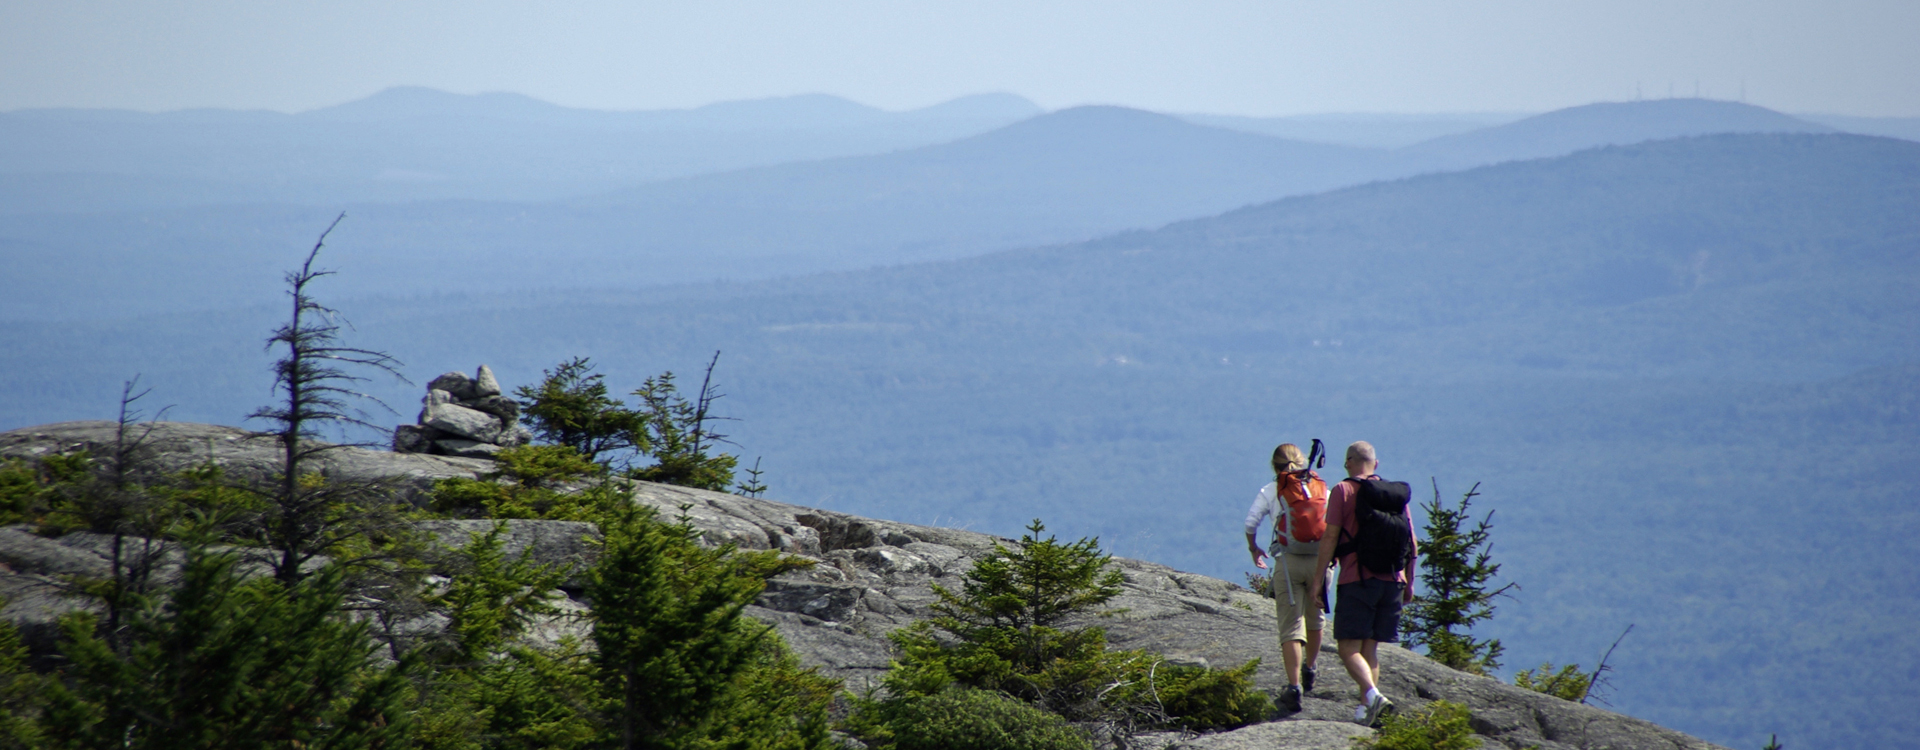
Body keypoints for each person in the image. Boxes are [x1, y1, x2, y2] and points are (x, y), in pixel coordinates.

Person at [1308, 441, 1418, 727]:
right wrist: (1409, 582)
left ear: (1348, 462)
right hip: (1393, 580)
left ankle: (1372, 695)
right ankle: (1364, 709)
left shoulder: (1343, 491)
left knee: (1347, 647)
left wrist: (1318, 580)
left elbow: (1330, 538)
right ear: (1376, 464)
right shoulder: (1393, 494)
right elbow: (1412, 542)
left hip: (1357, 578)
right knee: (1370, 650)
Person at [1244, 443, 1329, 712]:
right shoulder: (1320, 487)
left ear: (1274, 466)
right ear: (1302, 462)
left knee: (1292, 626)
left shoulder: (1272, 490)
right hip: (1321, 563)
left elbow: (1250, 523)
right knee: (1316, 619)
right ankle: (1311, 669)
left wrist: (1254, 548)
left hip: (1288, 561)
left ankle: (1294, 687)